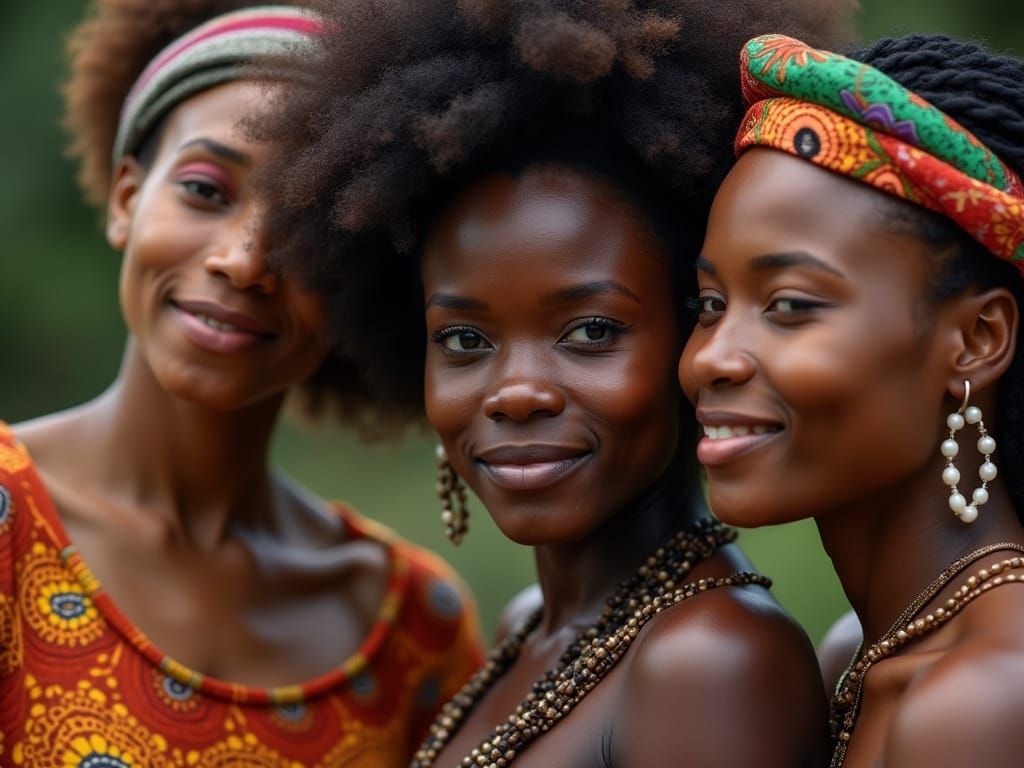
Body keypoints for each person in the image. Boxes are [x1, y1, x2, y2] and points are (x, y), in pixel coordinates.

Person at [254, 1, 854, 765]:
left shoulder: (711, 662)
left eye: (590, 332)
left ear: (697, 335)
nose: (517, 391)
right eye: (466, 340)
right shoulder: (527, 627)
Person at [0, 3, 482, 765]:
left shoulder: (415, 629)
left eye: (311, 227)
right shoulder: (8, 525)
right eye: (204, 189)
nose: (245, 260)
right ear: (129, 198)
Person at [680, 32, 1024, 767]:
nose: (711, 356)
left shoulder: (985, 698)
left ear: (977, 338)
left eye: (790, 305)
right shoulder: (858, 657)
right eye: (709, 303)